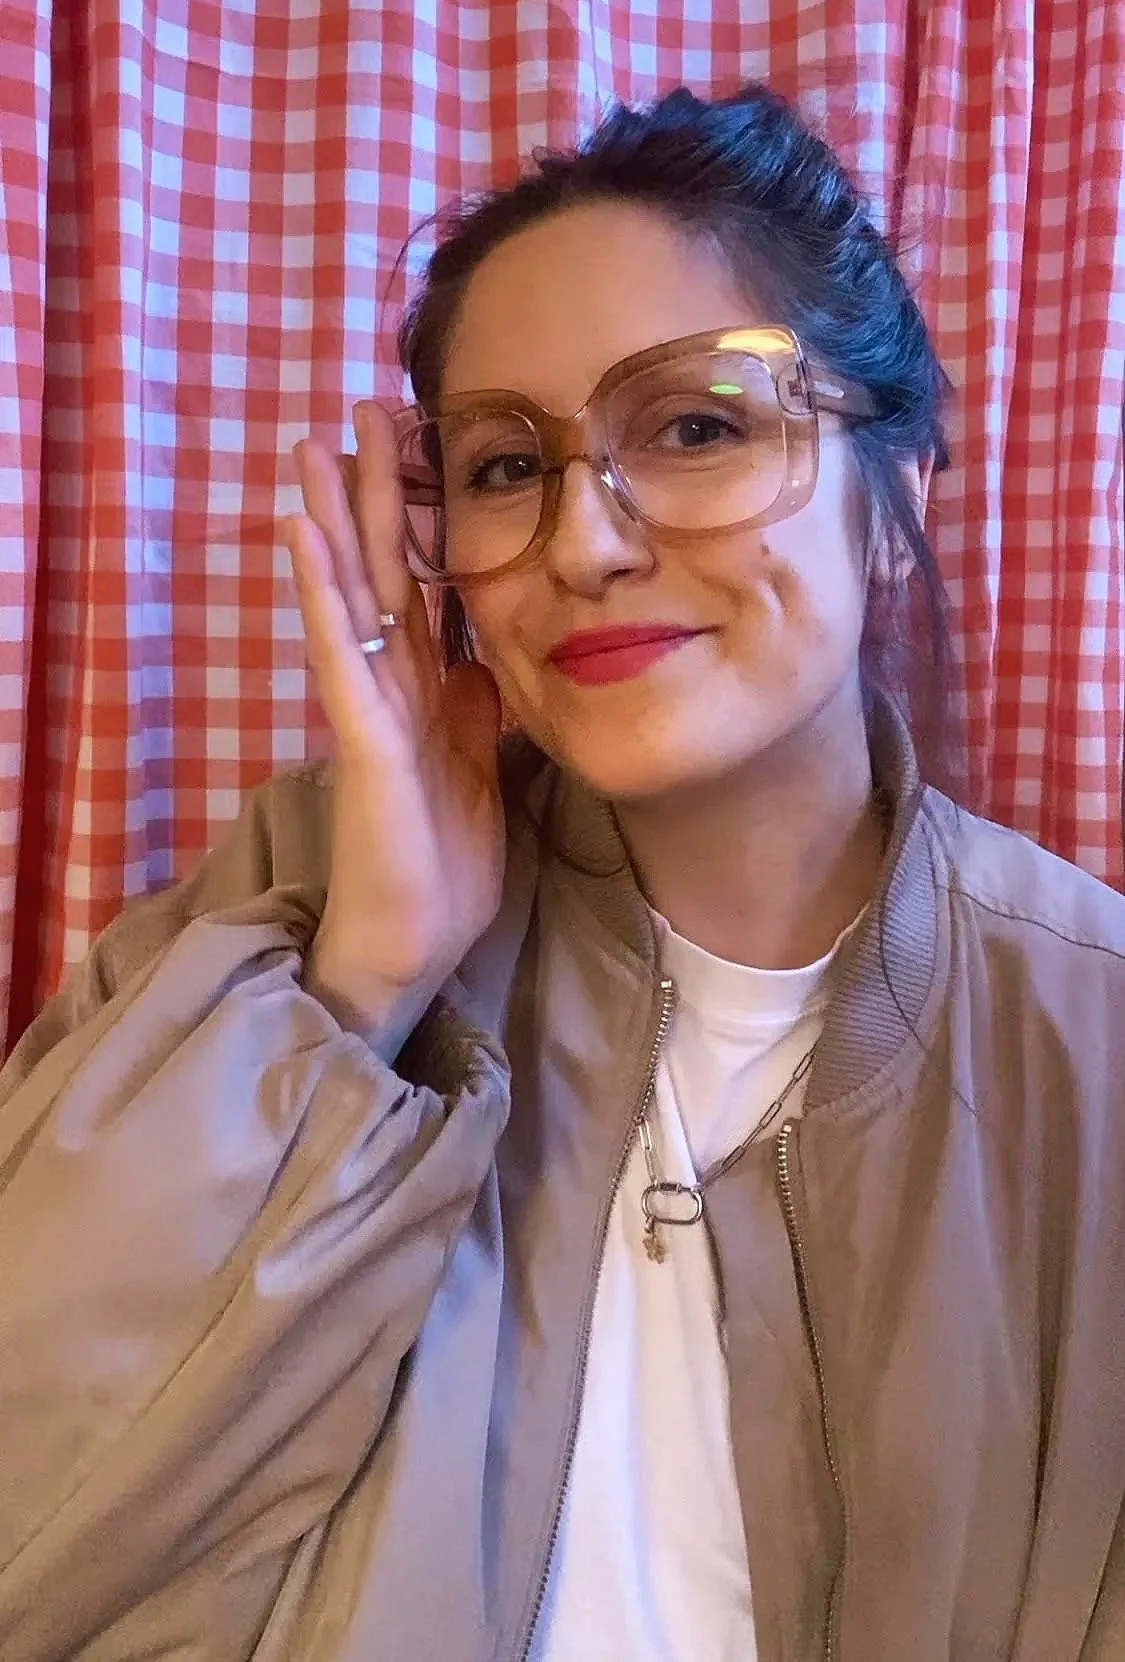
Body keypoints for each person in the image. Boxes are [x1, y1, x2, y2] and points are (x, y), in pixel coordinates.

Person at [0, 84, 1122, 1662]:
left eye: (698, 425)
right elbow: (33, 1541)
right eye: (507, 466)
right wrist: (366, 983)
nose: (584, 543)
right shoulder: (283, 929)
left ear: (896, 506)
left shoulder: (1091, 1041)